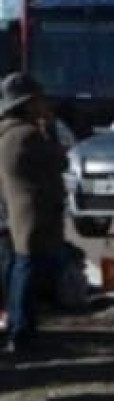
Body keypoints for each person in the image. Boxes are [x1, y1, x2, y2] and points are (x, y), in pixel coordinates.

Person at [0, 73, 67, 354]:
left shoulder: (5, 132)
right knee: (27, 273)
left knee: (18, 268)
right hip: (32, 212)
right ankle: (22, 332)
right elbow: (59, 161)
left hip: (14, 212)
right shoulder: (27, 135)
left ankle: (20, 328)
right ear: (27, 104)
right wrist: (49, 128)